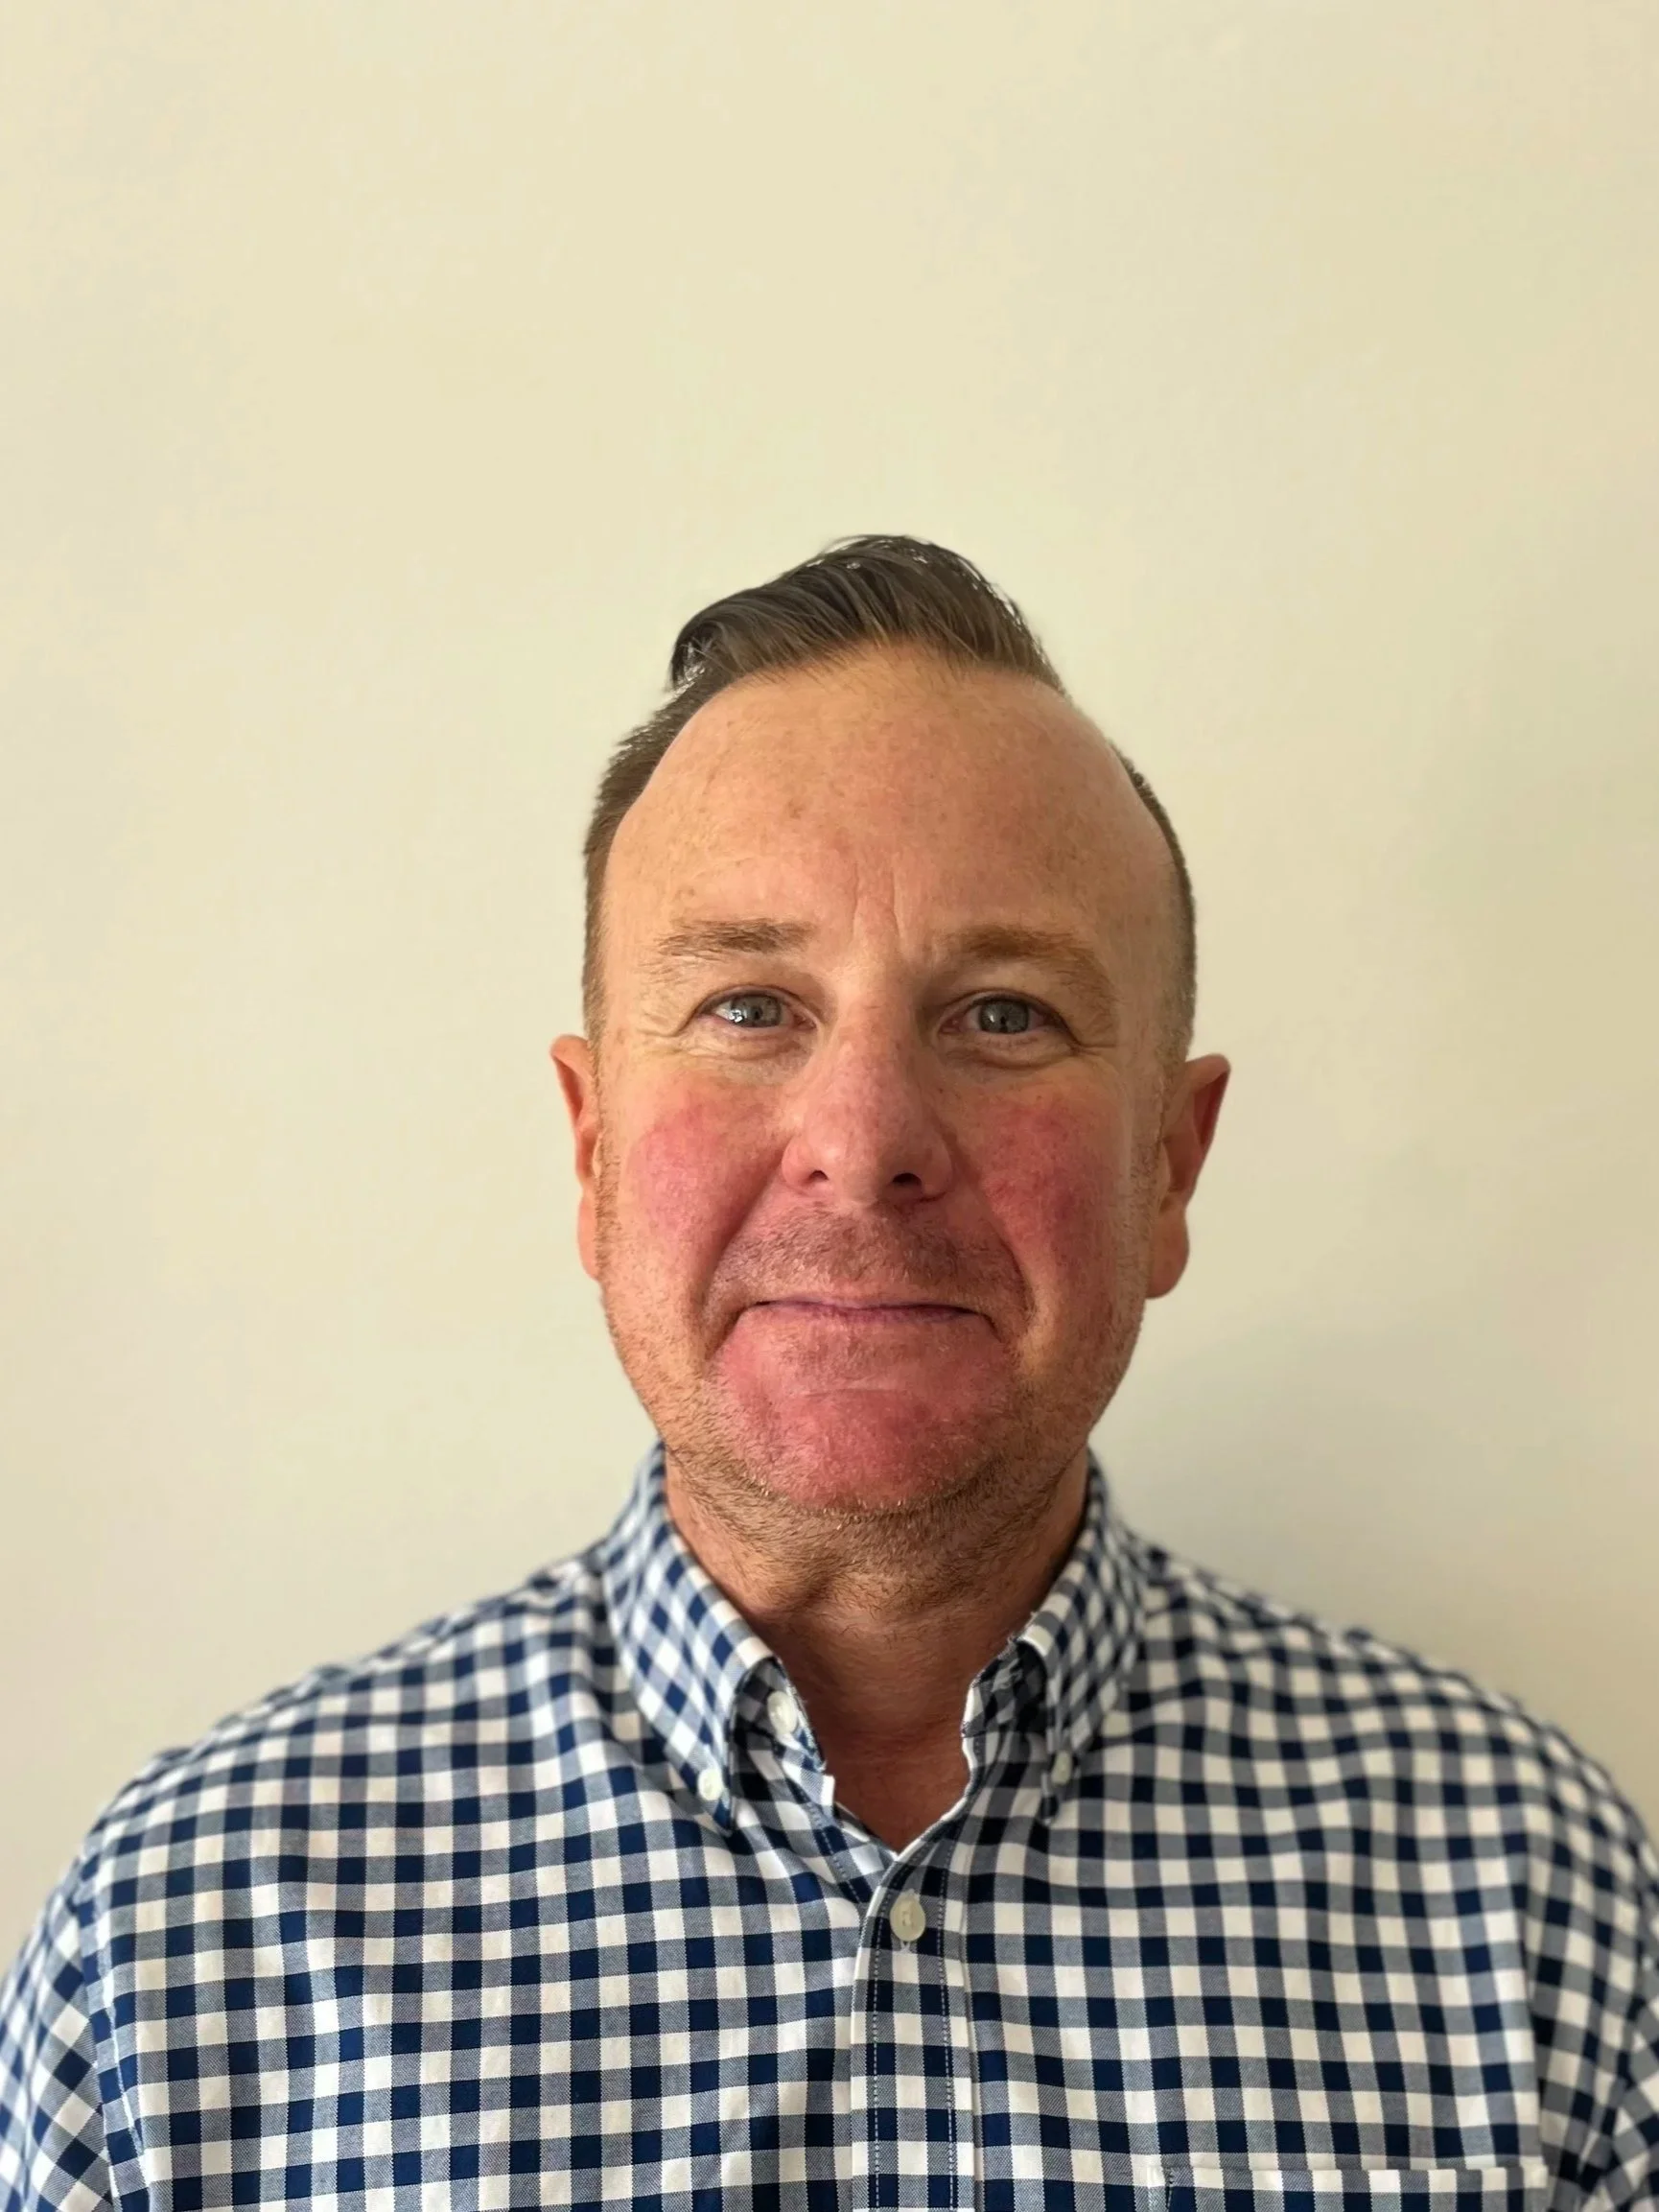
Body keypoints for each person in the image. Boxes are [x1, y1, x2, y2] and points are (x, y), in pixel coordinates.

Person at [2, 537, 1654, 2212]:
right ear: (589, 1148)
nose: (862, 1150)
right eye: (746, 1006)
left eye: (1003, 1015)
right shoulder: (188, 1947)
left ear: (1169, 1164)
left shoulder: (1533, 1913)